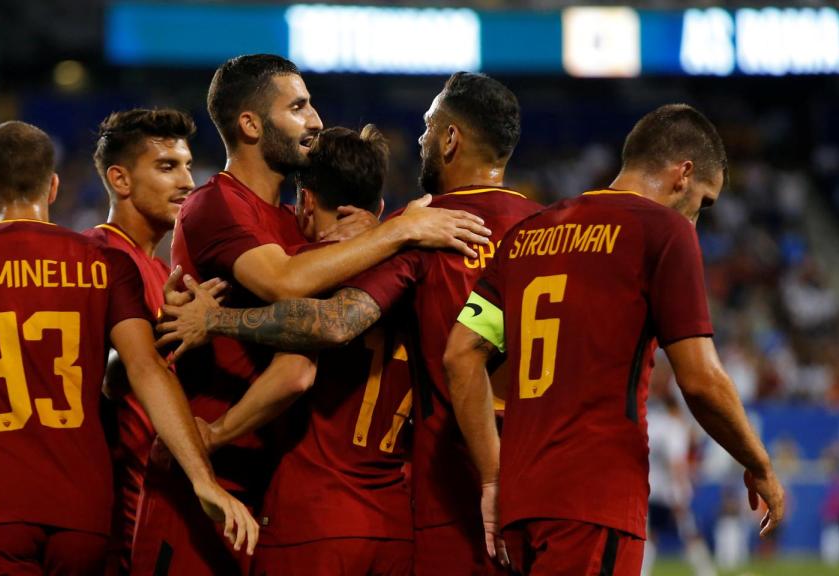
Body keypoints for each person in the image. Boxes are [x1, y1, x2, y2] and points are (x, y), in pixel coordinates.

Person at [158, 71, 540, 575]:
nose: (421, 138)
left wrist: (217, 322)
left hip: (382, 503)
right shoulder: (546, 232)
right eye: (297, 107)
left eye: (428, 127)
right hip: (515, 487)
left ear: (450, 139)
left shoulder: (412, 244)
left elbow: (328, 325)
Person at [0, 121, 256, 575]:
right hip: (82, 516)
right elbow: (146, 369)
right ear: (54, 186)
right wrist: (205, 480)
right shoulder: (103, 263)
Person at [444, 104, 785, 575]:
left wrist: (491, 477)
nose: (696, 220)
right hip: (594, 497)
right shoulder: (664, 231)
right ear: (683, 174)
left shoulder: (528, 234)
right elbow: (701, 380)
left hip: (520, 502)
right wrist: (759, 462)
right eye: (704, 203)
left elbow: (460, 353)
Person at [191, 125, 415, 575]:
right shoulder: (417, 265)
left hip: (311, 518)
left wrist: (213, 434)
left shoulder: (302, 269)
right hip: (396, 520)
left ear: (307, 202)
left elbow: (295, 371)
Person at [82, 108, 196, 575]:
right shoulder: (95, 259)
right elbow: (99, 381)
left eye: (188, 165)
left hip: (154, 512)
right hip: (113, 523)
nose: (187, 181)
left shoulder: (159, 269)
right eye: (168, 166)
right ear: (120, 179)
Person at [641, 367, 716, 576]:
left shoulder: (654, 423)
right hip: (670, 489)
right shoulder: (674, 427)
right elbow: (676, 462)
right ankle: (705, 572)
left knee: (651, 534)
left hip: (651, 487)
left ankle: (642, 572)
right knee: (690, 532)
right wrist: (682, 487)